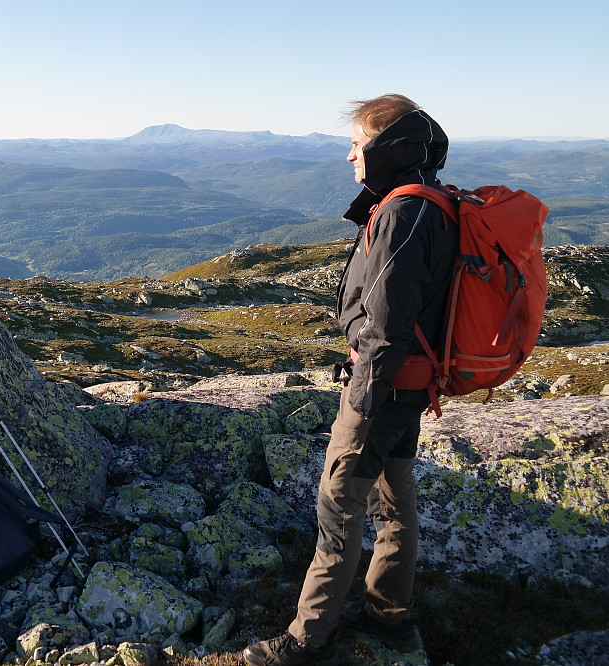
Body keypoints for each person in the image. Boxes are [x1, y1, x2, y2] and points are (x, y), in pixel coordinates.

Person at [242, 94, 459, 666]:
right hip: (410, 387)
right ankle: (391, 617)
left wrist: (362, 401)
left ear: (387, 152)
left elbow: (387, 326)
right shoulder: (431, 204)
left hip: (382, 391)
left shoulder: (401, 214)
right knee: (395, 499)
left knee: (338, 508)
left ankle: (307, 641)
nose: (349, 156)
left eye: (358, 145)